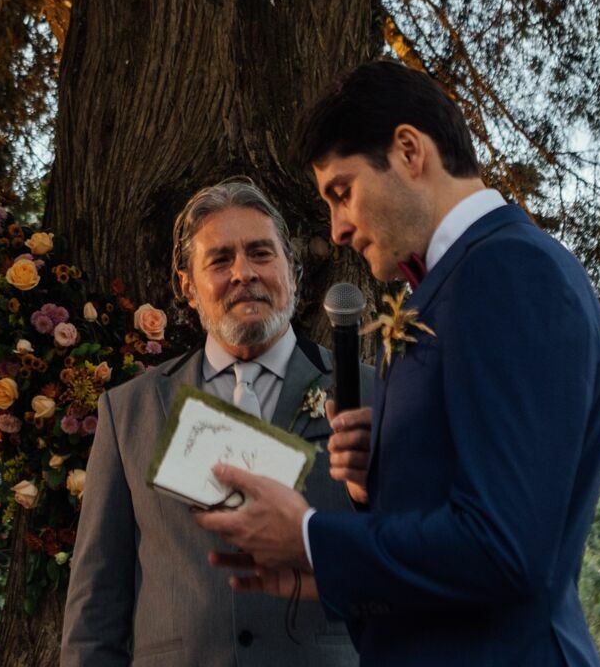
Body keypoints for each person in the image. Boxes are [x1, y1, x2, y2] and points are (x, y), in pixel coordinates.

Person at [195, 61, 600, 666]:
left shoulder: (507, 272)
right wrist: (384, 476)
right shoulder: (457, 281)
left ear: (410, 150)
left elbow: (507, 548)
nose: (337, 229)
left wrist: (313, 537)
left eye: (342, 192)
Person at [62, 178, 373, 667]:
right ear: (187, 286)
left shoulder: (371, 394)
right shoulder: (129, 412)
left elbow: (417, 561)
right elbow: (96, 605)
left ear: (291, 270)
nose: (244, 273)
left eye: (260, 253)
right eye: (221, 260)